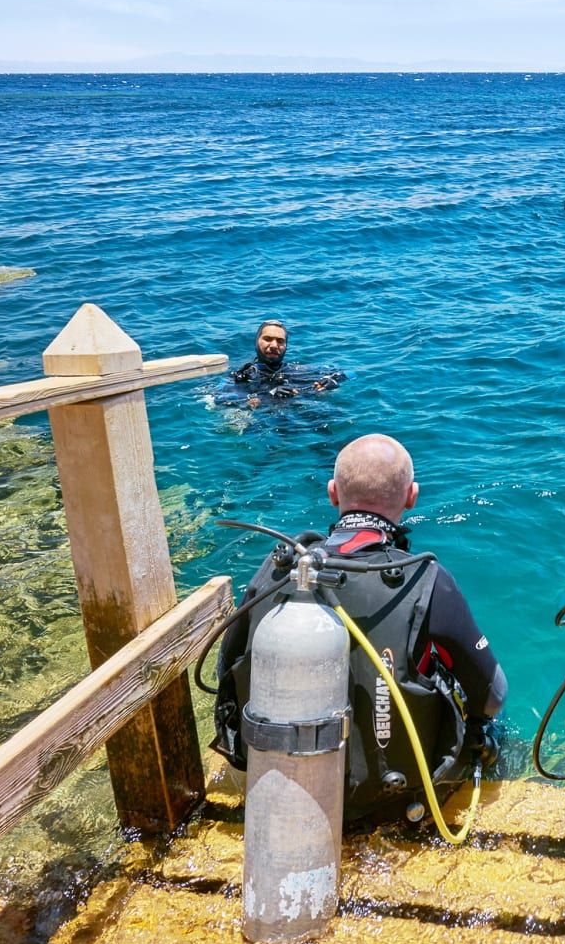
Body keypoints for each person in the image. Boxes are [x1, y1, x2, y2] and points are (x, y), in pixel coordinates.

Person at [209, 434, 508, 826]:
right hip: (389, 801)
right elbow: (492, 695)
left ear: (333, 493)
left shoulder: (278, 570)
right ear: (412, 496)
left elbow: (227, 675)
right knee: (494, 732)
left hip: (280, 784)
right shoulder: (426, 579)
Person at [229, 320, 345, 408]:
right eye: (268, 339)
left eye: (280, 341)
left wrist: (333, 380)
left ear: (286, 346)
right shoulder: (241, 376)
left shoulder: (297, 370)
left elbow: (350, 374)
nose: (274, 345)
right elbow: (219, 398)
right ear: (256, 342)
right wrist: (268, 396)